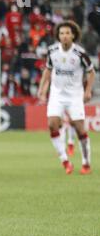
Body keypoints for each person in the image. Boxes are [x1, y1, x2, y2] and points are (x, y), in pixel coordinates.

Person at [38, 21, 95, 174]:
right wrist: (42, 89)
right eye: (61, 33)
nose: (64, 36)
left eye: (67, 33)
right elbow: (48, 70)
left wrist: (88, 91)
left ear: (73, 35)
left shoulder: (80, 53)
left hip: (75, 96)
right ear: (58, 35)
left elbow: (91, 72)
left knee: (80, 129)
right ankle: (65, 161)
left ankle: (86, 162)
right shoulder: (52, 51)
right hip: (56, 94)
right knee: (52, 125)